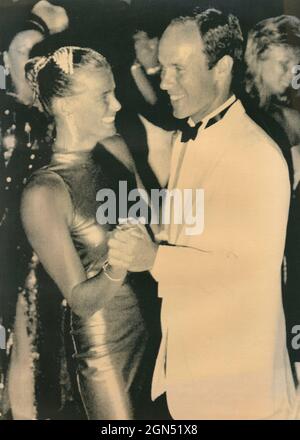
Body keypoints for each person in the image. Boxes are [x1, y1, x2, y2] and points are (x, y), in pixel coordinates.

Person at [108, 9, 297, 419]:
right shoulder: (190, 137)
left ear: (222, 67)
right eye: (163, 66)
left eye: (179, 68)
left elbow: (247, 273)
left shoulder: (255, 154)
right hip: (192, 379)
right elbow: (196, 235)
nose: (164, 80)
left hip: (239, 390)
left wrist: (153, 258)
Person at [20, 46, 149, 420]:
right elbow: (80, 299)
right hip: (105, 351)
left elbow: (153, 229)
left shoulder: (118, 149)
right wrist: (120, 264)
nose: (118, 105)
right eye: (104, 96)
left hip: (156, 328)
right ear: (66, 106)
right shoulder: (44, 192)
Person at [0, 1, 71, 420]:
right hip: (21, 219)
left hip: (24, 222)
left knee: (27, 338)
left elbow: (21, 50)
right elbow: (22, 52)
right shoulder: (31, 36)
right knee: (24, 336)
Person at [245, 15, 300, 383]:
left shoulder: (286, 114)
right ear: (258, 58)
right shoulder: (242, 115)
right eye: (283, 65)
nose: (291, 75)